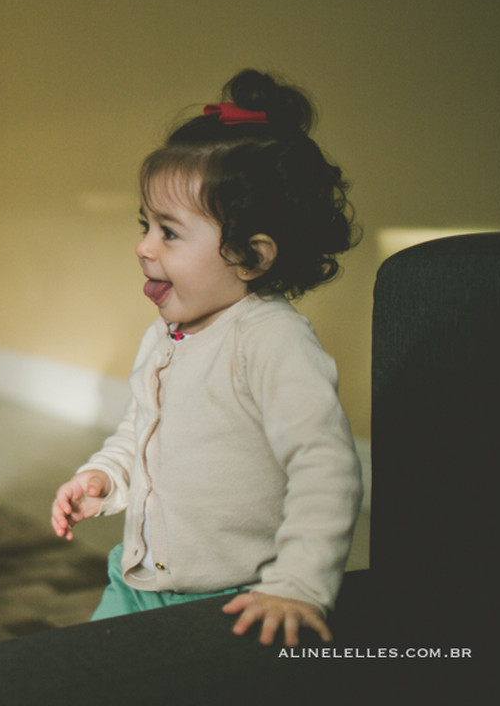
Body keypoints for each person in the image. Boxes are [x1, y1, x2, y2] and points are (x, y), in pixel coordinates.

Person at [50, 69, 363, 647]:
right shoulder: (166, 334)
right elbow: (141, 427)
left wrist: (297, 584)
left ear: (250, 256)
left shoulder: (271, 341)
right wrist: (105, 476)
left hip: (237, 595)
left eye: (169, 232)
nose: (144, 246)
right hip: (137, 579)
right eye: (146, 226)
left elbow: (326, 469)